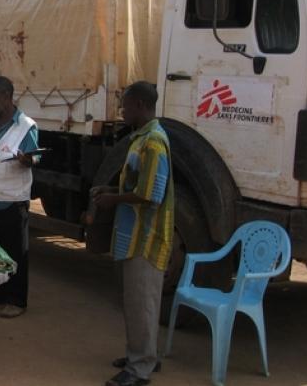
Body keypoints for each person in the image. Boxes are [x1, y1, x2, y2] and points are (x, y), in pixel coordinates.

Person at [92, 81, 174, 386]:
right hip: (134, 236)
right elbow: (137, 186)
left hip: (146, 238)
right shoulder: (141, 139)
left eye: (125, 105)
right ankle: (142, 355)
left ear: (140, 105)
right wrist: (111, 189)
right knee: (138, 302)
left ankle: (140, 369)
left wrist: (114, 199)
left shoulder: (153, 142)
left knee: (142, 303)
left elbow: (151, 194)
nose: (122, 111)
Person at [0, 76, 40, 319]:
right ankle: (1, 295)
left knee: (17, 252)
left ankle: (17, 300)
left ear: (6, 96)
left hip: (13, 198)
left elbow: (35, 156)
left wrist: (27, 159)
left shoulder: (26, 125)